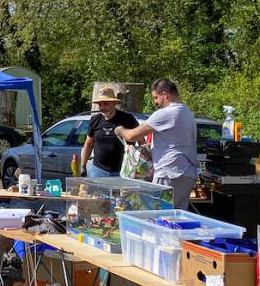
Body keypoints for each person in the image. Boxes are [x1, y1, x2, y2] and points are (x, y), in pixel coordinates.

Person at [115, 78, 198, 209]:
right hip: (187, 173)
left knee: (156, 216)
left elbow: (132, 135)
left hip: (169, 173)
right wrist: (150, 147)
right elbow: (175, 142)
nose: (155, 102)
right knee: (176, 218)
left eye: (156, 97)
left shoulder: (166, 113)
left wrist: (120, 130)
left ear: (165, 94)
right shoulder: (187, 112)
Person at [81, 88, 139, 178]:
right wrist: (83, 165)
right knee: (97, 193)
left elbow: (141, 141)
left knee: (120, 192)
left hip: (122, 171)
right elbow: (88, 144)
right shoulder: (95, 120)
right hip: (98, 171)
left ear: (114, 103)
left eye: (106, 104)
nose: (102, 107)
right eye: (100, 105)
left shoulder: (128, 119)